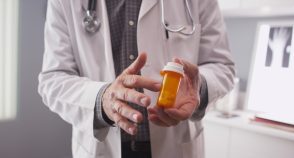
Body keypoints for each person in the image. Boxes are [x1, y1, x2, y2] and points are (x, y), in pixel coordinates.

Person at [38, 0, 235, 158]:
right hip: (102, 147)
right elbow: (53, 79)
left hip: (175, 145)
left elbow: (221, 66)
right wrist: (101, 99)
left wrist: (197, 87)